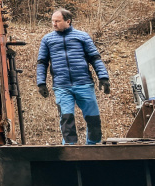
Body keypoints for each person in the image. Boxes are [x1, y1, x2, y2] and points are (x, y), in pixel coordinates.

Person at [37, 8, 110, 144]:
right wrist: (41, 83)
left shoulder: (82, 36)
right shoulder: (47, 40)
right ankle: (70, 148)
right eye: (53, 21)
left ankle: (94, 148)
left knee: (93, 118)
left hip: (84, 83)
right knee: (67, 118)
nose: (54, 24)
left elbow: (95, 58)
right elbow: (42, 63)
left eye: (57, 21)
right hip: (61, 86)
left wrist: (103, 77)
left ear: (68, 21)